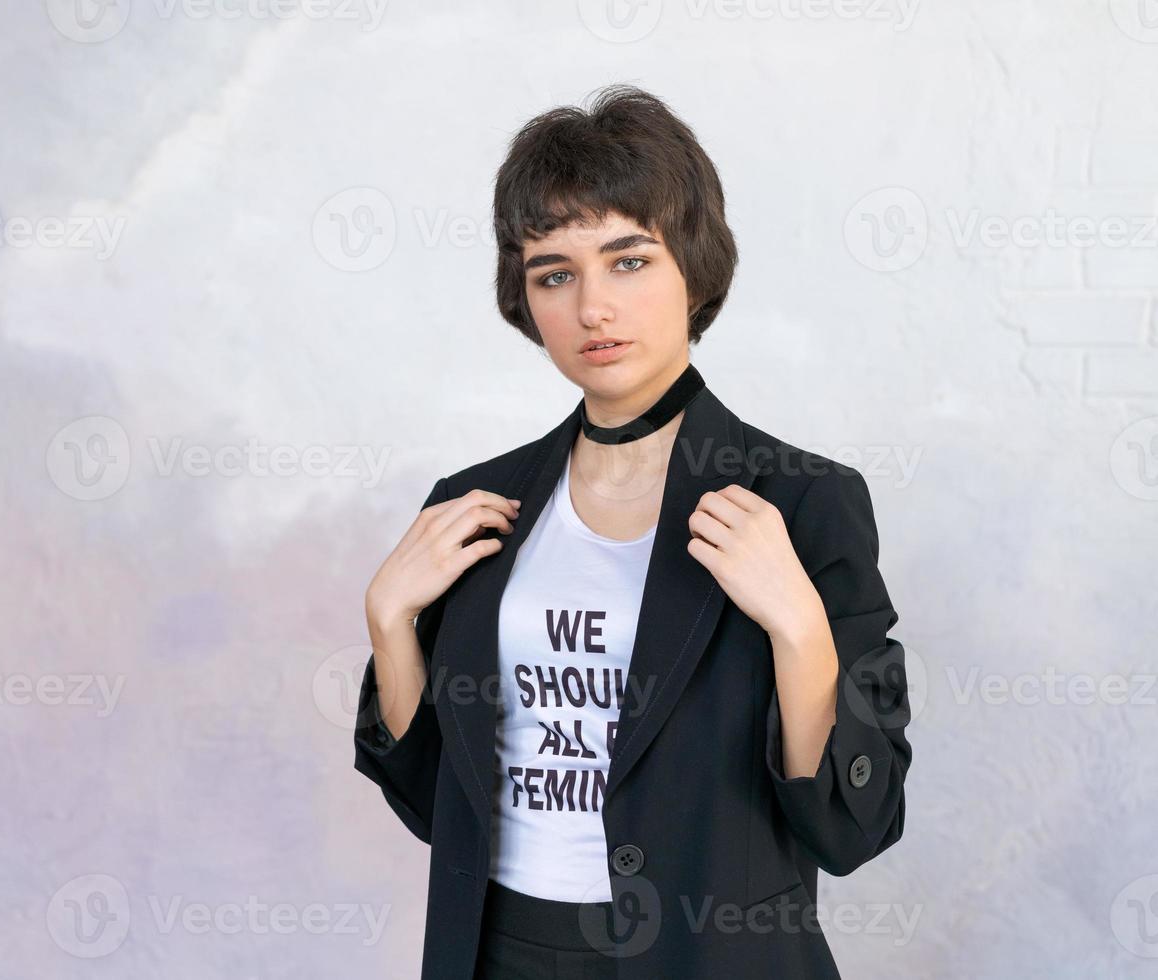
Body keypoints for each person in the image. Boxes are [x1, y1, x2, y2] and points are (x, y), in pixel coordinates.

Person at [354, 84, 912, 980]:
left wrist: (800, 630)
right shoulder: (473, 505)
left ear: (693, 265)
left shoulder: (804, 502)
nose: (592, 309)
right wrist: (388, 623)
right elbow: (436, 809)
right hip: (498, 953)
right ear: (525, 299)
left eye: (629, 260)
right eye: (554, 274)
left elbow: (857, 825)